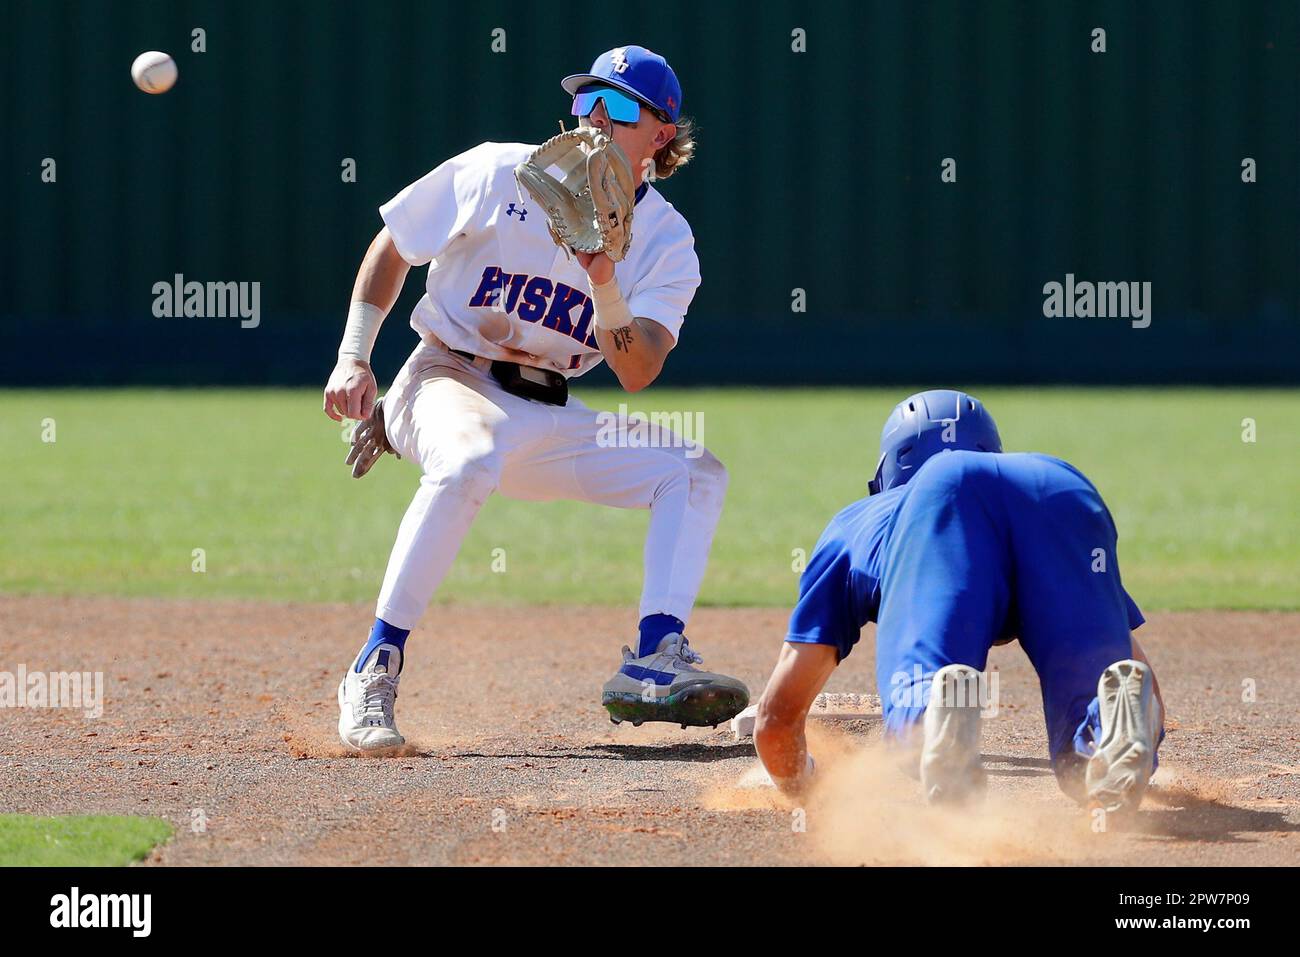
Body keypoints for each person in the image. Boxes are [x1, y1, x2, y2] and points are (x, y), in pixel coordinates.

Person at [322, 45, 748, 751]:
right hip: (445, 377)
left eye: (614, 107)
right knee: (468, 460)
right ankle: (376, 663)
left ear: (661, 135)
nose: (592, 119)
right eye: (585, 102)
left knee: (695, 471)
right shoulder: (498, 171)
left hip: (546, 413)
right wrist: (353, 357)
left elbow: (638, 369)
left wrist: (604, 279)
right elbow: (395, 244)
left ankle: (654, 657)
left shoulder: (667, 241)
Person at [753, 390, 1164, 814]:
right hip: (1060, 487)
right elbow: (1137, 673)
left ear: (886, 474)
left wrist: (805, 786)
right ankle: (1103, 727)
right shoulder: (1024, 484)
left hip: (942, 499)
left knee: (919, 714)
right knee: (1091, 726)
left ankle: (936, 709)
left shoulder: (860, 519)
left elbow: (775, 722)